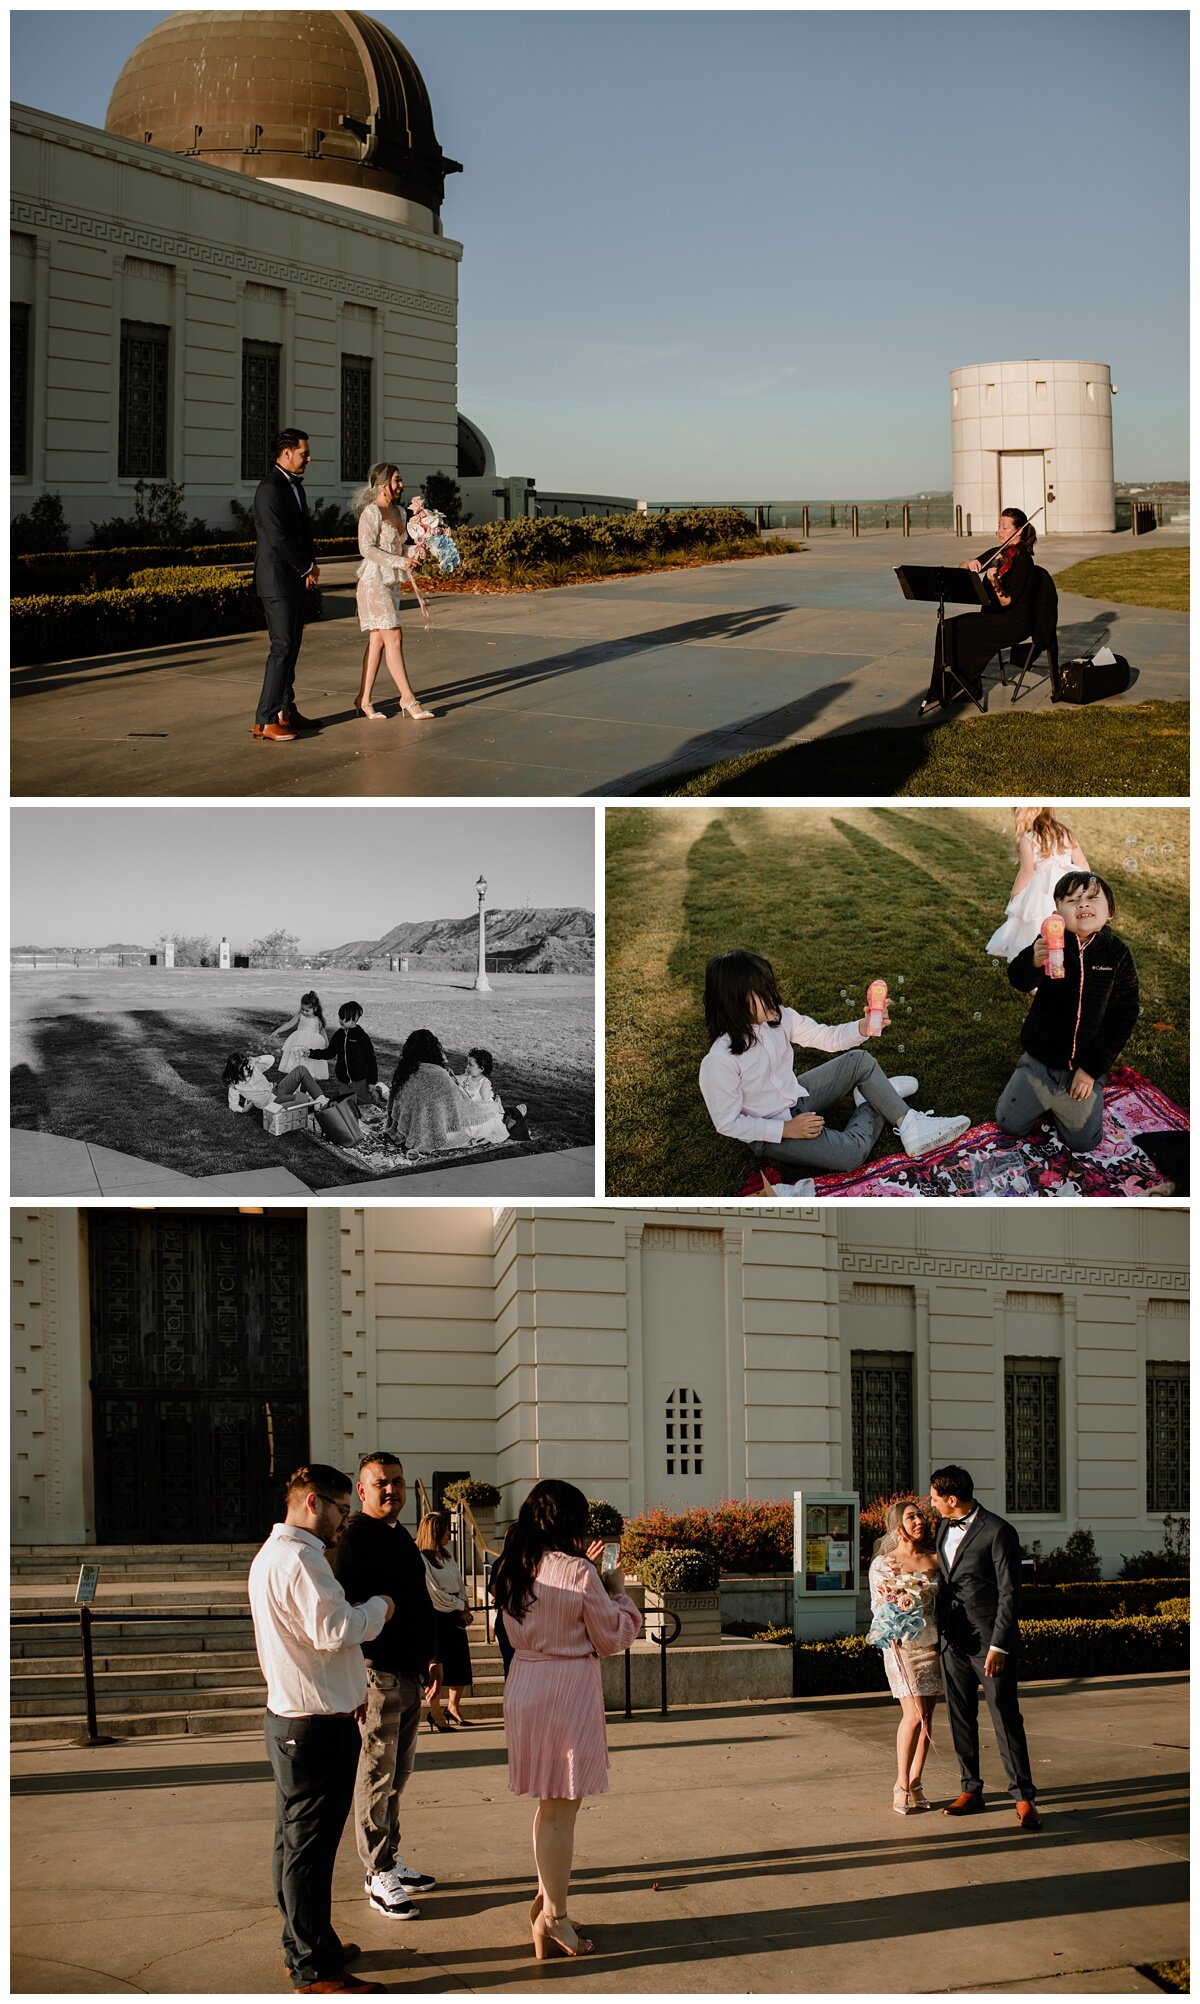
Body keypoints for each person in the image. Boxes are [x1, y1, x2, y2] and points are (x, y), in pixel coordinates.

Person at [247, 1464, 393, 1995]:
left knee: (294, 1844)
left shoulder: (271, 1555)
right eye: (340, 1509)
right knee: (309, 1849)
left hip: (292, 1717)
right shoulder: (303, 1560)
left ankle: (308, 1942)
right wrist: (379, 1608)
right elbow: (335, 1630)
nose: (343, 1522)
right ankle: (312, 1964)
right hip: (314, 1726)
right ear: (313, 1502)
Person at [494, 1479, 641, 1960]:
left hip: (525, 1685)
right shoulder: (579, 1572)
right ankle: (554, 1916)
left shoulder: (513, 1565)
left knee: (548, 1804)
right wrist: (618, 1592)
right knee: (562, 1810)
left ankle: (546, 1900)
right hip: (565, 1689)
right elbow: (612, 1635)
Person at [698, 948, 970, 1175]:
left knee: (858, 1061)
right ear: (734, 1002)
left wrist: (863, 1027)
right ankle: (877, 1098)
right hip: (769, 1131)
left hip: (797, 1095)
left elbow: (826, 1037)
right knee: (850, 1155)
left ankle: (909, 1123)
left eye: (770, 987)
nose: (773, 997)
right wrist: (786, 1129)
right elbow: (728, 1122)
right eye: (761, 993)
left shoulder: (780, 1018)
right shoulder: (720, 1061)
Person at [328, 1453, 441, 1924]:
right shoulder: (351, 1540)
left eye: (397, 1482)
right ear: (362, 1489)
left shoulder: (400, 1538)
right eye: (382, 1483)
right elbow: (345, 1614)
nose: (392, 1490)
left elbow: (419, 1602)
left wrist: (433, 1657)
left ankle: (390, 1857)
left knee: (398, 1774)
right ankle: (376, 1871)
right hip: (377, 1673)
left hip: (411, 1672)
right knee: (376, 1774)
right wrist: (356, 1682)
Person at [929, 1465, 1041, 1832]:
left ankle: (1023, 1797)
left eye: (933, 1498)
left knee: (1005, 1716)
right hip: (951, 1640)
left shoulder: (998, 1531)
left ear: (951, 1499)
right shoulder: (942, 1527)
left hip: (990, 1643)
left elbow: (1011, 1593)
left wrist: (999, 1645)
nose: (930, 1505)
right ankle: (970, 1789)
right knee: (960, 1716)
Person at [996, 870, 1140, 1154]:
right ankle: (1029, 1076)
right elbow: (1020, 981)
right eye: (1073, 900)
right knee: (1008, 1123)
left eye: (1092, 899)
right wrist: (1032, 962)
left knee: (1082, 1141)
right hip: (1041, 1057)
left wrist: (1090, 1070)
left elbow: (1124, 1015)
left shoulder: (1117, 954)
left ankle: (1085, 1087)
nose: (1083, 905)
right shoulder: (1051, 941)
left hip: (1085, 1064)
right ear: (1057, 914)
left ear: (1109, 911)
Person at [919, 508, 1037, 712]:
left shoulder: (1023, 560)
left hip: (1012, 622)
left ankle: (967, 686)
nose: (999, 531)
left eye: (1004, 527)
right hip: (993, 617)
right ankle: (946, 686)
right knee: (947, 626)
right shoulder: (998, 553)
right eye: (998, 526)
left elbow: (1007, 602)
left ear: (1018, 531)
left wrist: (994, 582)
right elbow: (962, 567)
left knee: (956, 628)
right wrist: (968, 563)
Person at [867, 1500, 941, 1814]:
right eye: (911, 1516)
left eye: (920, 1515)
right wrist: (897, 1609)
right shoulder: (884, 1563)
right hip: (901, 1647)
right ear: (897, 1524)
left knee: (928, 1717)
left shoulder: (935, 1558)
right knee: (913, 1716)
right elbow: (877, 1606)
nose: (919, 1520)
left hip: (931, 1645)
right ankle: (900, 1783)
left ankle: (916, 1781)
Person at [252, 427, 320, 742]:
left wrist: (307, 570)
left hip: (294, 579)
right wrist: (305, 565)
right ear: (286, 452)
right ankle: (265, 721)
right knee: (281, 648)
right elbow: (278, 537)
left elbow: (301, 534)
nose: (309, 458)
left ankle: (285, 711)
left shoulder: (295, 487)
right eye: (304, 453)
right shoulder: (270, 489)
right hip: (277, 581)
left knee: (291, 648)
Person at [353, 463, 433, 722]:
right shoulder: (371, 512)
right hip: (373, 583)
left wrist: (416, 551)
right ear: (382, 484)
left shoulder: (399, 511)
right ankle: (408, 698)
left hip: (392, 584)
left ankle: (363, 699)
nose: (402, 485)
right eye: (397, 480)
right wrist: (400, 562)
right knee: (395, 637)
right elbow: (367, 549)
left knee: (378, 641)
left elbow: (399, 549)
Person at [985, 808, 1090, 961]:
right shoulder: (1066, 833)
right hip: (1065, 889)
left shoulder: (1028, 838)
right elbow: (1084, 867)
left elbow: (1026, 871)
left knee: (1036, 926)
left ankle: (1035, 965)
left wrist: (1015, 894)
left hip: (1039, 893)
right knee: (1064, 926)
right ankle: (1062, 963)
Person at [385, 1030, 509, 1154]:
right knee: (483, 1123)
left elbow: (393, 1103)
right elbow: (460, 1105)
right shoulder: (439, 1074)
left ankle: (507, 1118)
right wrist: (491, 1108)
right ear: (434, 1050)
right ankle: (504, 1122)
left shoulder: (404, 1071)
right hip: (431, 1134)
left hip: (405, 1129)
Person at [416, 1511, 473, 1730]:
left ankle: (453, 1707)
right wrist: (459, 1605)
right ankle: (436, 1713)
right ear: (434, 1532)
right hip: (436, 1618)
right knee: (436, 1667)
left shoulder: (447, 1556)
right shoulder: (422, 1558)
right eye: (445, 1530)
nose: (449, 1534)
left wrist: (464, 1605)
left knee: (459, 1665)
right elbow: (434, 1594)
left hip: (454, 1617)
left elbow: (459, 1582)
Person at [223, 1051, 356, 1119]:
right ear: (235, 1073)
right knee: (301, 1098)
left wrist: (257, 1059)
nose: (248, 1072)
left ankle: (321, 1100)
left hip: (277, 1089)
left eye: (248, 1069)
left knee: (301, 1070)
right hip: (271, 1104)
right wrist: (243, 1110)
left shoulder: (254, 1067)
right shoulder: (234, 1085)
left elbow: (271, 1060)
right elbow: (232, 1104)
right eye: (244, 1072)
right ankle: (315, 1103)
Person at [459, 1048, 531, 1141]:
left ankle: (510, 1120)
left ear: (481, 1069)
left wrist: (471, 1101)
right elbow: (458, 1079)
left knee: (485, 1128)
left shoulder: (484, 1083)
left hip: (481, 1112)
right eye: (467, 1064)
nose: (467, 1066)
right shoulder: (467, 1077)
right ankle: (507, 1117)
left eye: (470, 1065)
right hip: (468, 1108)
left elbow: (485, 1104)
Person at [320, 1002, 381, 1108]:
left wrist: (372, 1081)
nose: (341, 1021)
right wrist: (310, 1053)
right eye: (340, 1017)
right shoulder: (338, 1035)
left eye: (345, 1019)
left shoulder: (361, 1036)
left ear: (355, 1019)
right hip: (344, 1081)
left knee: (365, 1104)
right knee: (347, 1105)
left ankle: (377, 1093)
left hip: (360, 1080)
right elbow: (329, 1053)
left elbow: (371, 1059)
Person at [274, 993, 332, 1076]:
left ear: (315, 1009)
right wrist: (278, 1030)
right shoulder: (300, 1016)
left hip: (313, 1045)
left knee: (311, 1064)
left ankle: (308, 1084)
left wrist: (326, 1042)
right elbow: (289, 1024)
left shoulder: (318, 1020)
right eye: (302, 1009)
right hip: (299, 1042)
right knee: (297, 1062)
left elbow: (322, 1032)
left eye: (307, 1010)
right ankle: (296, 1084)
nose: (304, 1012)